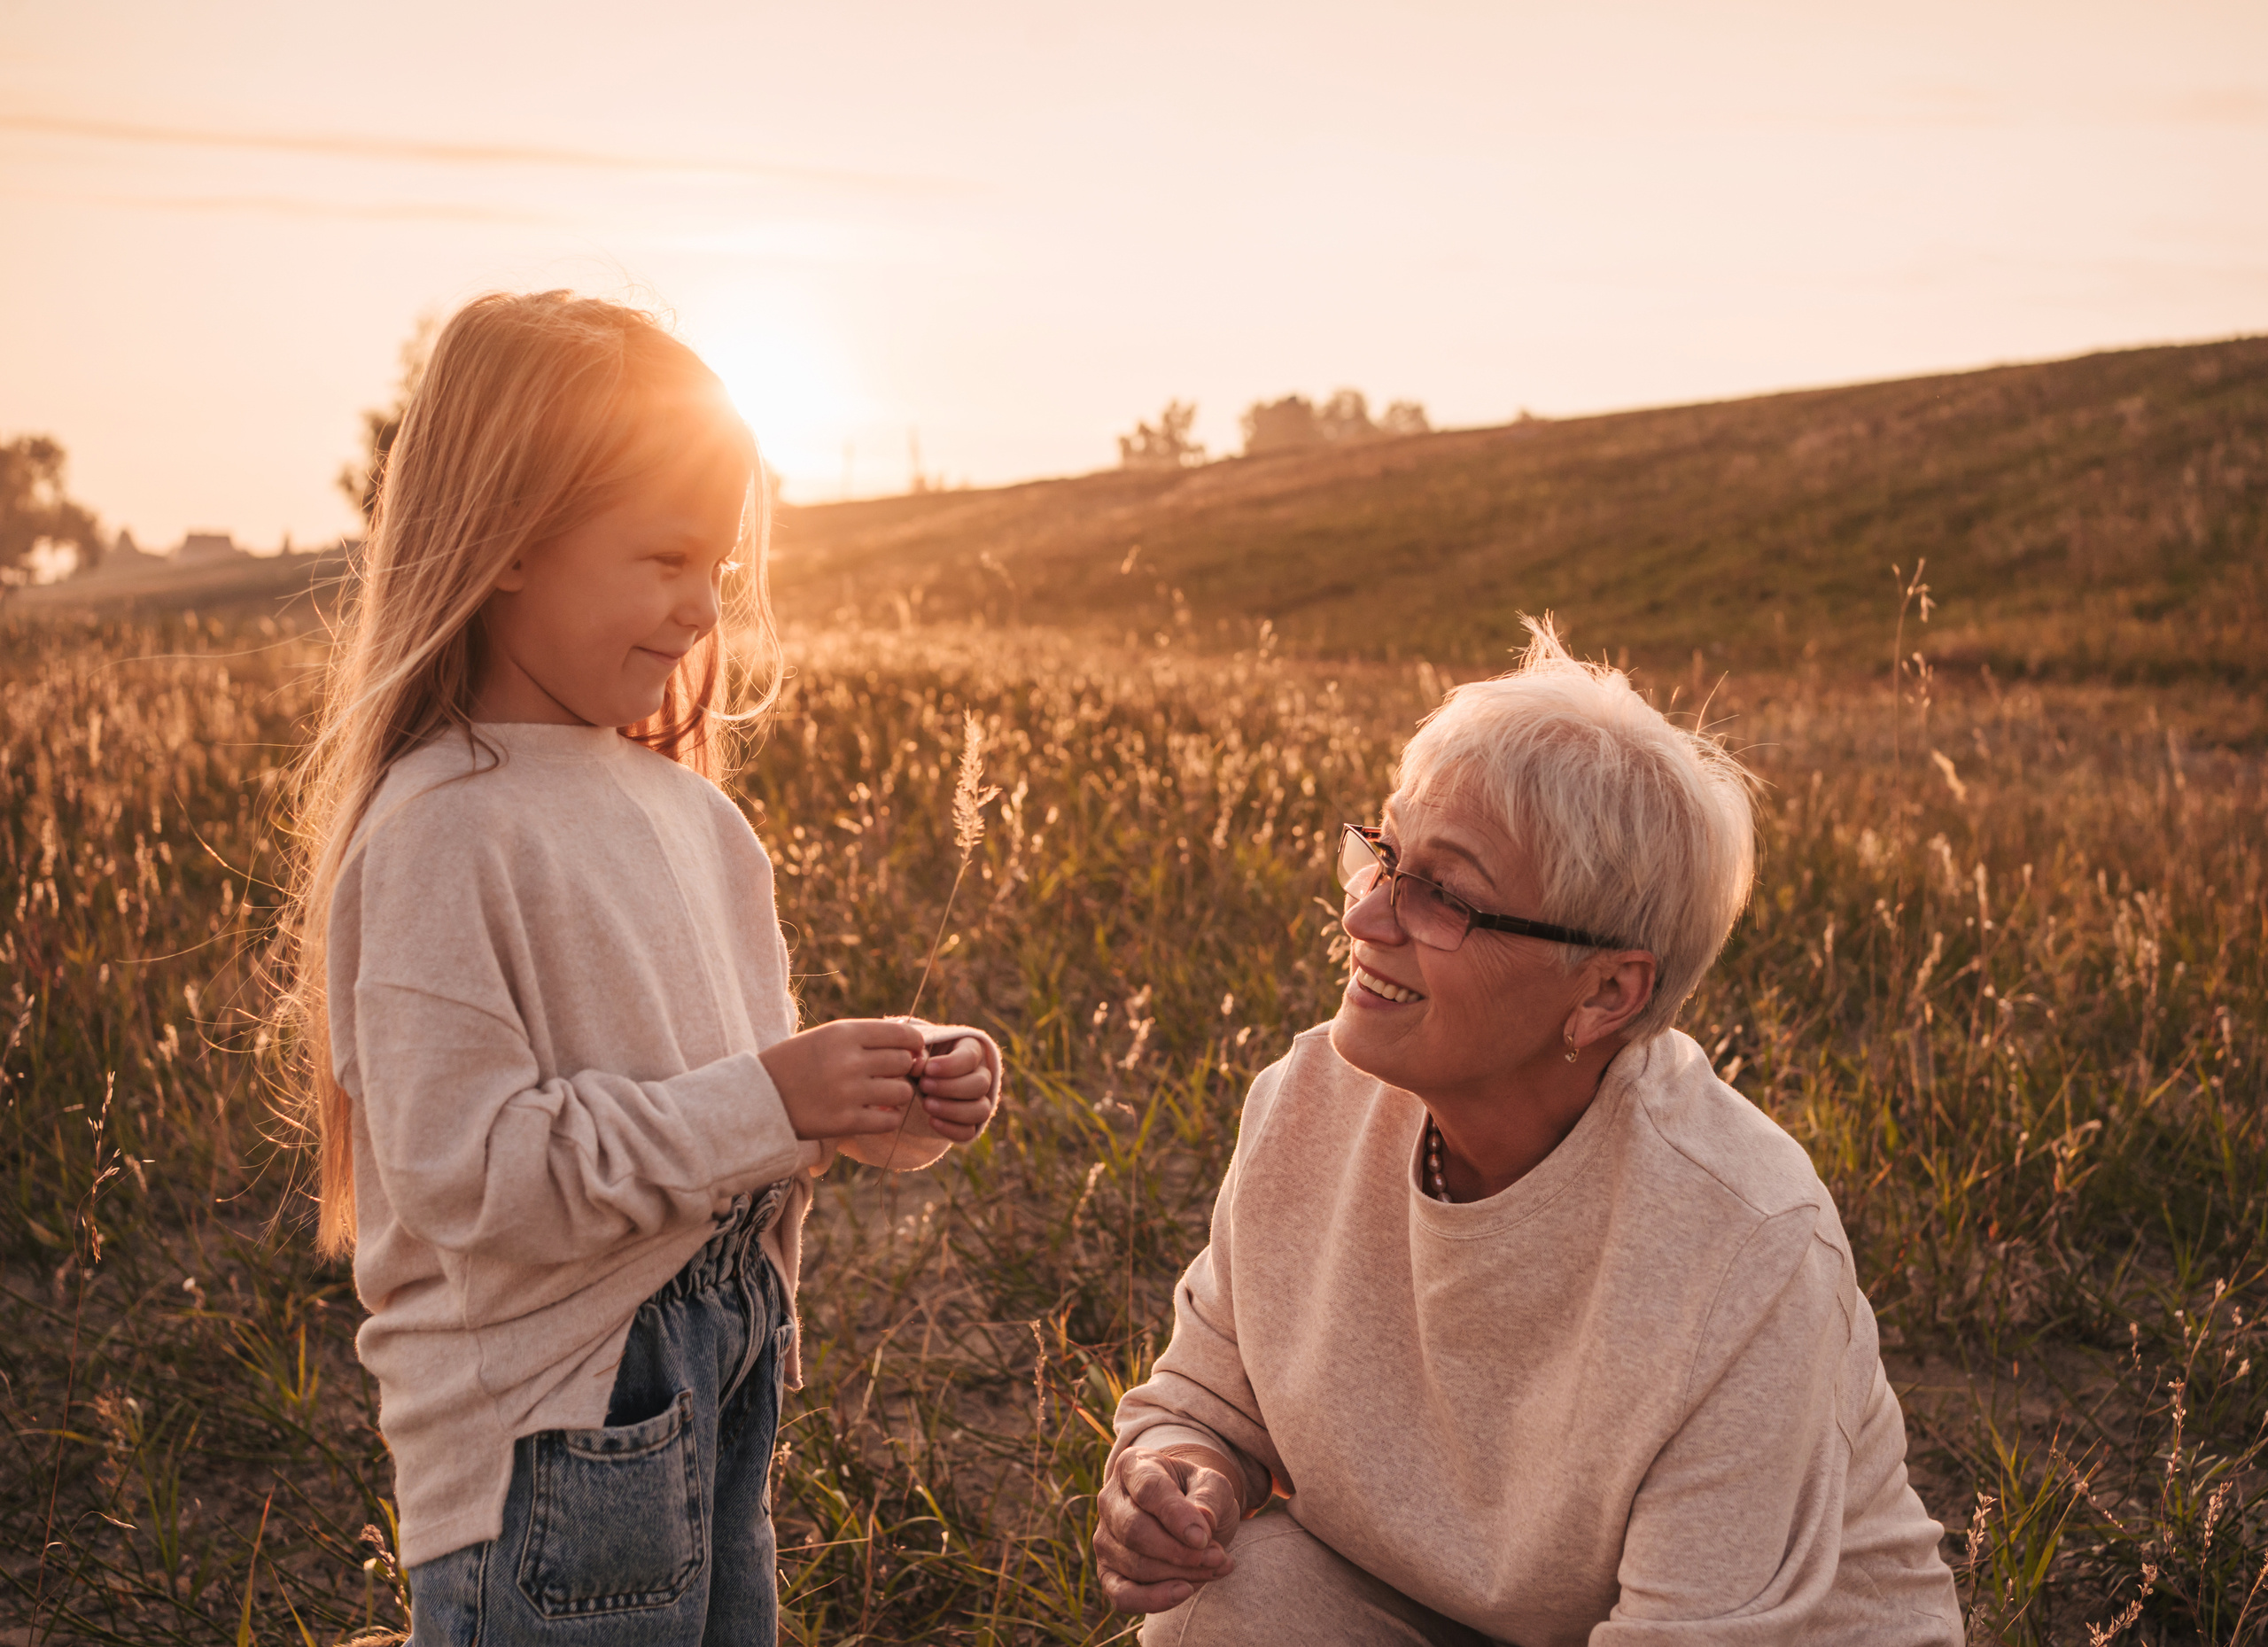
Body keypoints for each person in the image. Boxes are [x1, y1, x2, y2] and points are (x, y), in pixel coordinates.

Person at [275, 291, 1000, 1645]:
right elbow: (473, 1175)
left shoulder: (699, 818)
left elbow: (746, 1123)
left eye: (716, 567)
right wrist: (775, 1097)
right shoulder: (445, 824)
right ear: (503, 542)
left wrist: (885, 1105)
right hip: (557, 1427)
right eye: (664, 555)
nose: (698, 607)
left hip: (726, 1371)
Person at [1094, 621, 1961, 1645]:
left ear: (1604, 990)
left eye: (1444, 896)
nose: (1366, 920)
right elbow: (1208, 1399)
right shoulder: (1305, 1102)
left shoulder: (1744, 1248)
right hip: (1444, 1608)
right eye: (1381, 855)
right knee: (1223, 1607)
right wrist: (1179, 1472)